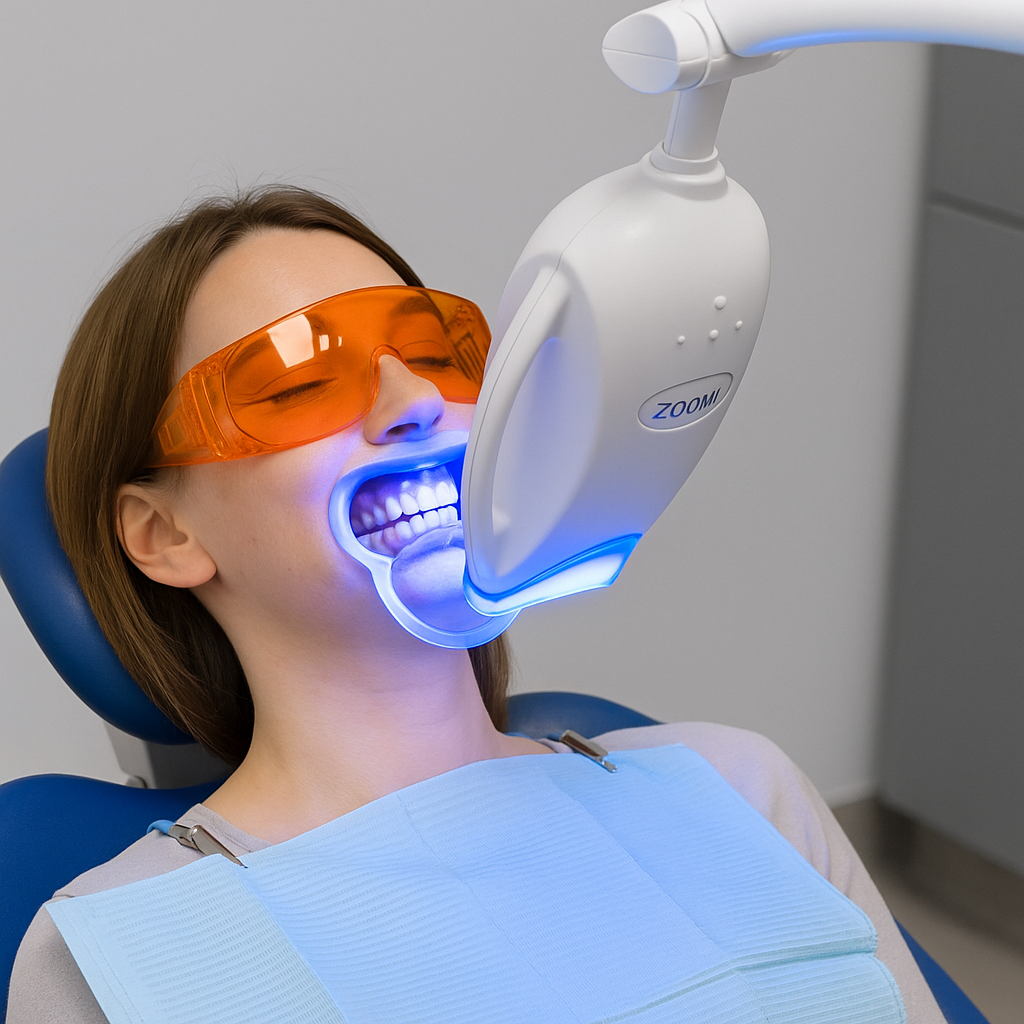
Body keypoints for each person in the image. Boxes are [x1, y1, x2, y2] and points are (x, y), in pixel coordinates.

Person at [6, 186, 946, 1023]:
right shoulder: (109, 952)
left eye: (439, 352)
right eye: (297, 381)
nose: (415, 400)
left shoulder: (739, 786)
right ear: (166, 535)